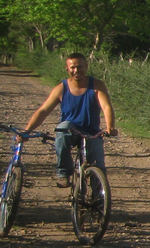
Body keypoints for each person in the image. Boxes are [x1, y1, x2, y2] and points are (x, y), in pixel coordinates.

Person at [24, 53, 117, 186]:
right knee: (63, 128)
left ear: (86, 66)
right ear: (67, 69)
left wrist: (110, 127)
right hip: (70, 130)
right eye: (73, 67)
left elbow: (106, 107)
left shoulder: (97, 85)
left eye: (80, 67)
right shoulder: (61, 88)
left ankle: (99, 202)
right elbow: (43, 111)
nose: (76, 70)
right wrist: (27, 130)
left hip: (92, 131)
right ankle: (64, 173)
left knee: (99, 167)